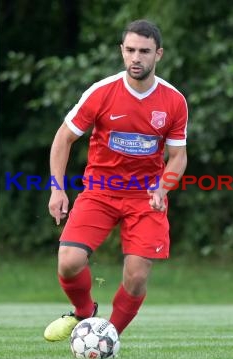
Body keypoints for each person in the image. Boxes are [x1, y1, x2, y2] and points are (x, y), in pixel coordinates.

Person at [43, 19, 188, 342]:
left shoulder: (173, 101)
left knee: (136, 277)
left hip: (145, 196)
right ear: (122, 51)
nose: (137, 58)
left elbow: (178, 156)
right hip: (100, 192)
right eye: (131, 50)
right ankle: (84, 312)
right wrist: (57, 189)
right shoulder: (102, 92)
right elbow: (63, 139)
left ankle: (108, 336)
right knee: (69, 261)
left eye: (145, 51)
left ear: (158, 54)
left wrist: (163, 187)